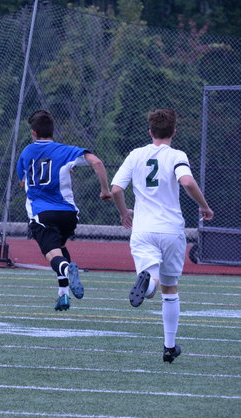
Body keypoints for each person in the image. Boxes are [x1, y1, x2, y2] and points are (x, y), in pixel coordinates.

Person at [111, 108, 213, 363]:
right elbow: (187, 182)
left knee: (152, 284)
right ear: (174, 132)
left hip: (143, 229)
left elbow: (116, 189)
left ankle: (147, 283)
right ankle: (169, 347)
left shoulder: (136, 154)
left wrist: (124, 213)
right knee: (170, 289)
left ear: (150, 132)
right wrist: (204, 205)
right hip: (170, 230)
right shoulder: (176, 155)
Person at [16, 110, 112, 311]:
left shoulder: (26, 152)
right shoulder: (65, 150)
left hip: (42, 213)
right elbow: (97, 162)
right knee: (59, 247)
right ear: (53, 131)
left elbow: (22, 182)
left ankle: (68, 270)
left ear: (33, 133)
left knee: (51, 255)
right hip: (69, 214)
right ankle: (63, 294)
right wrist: (105, 190)